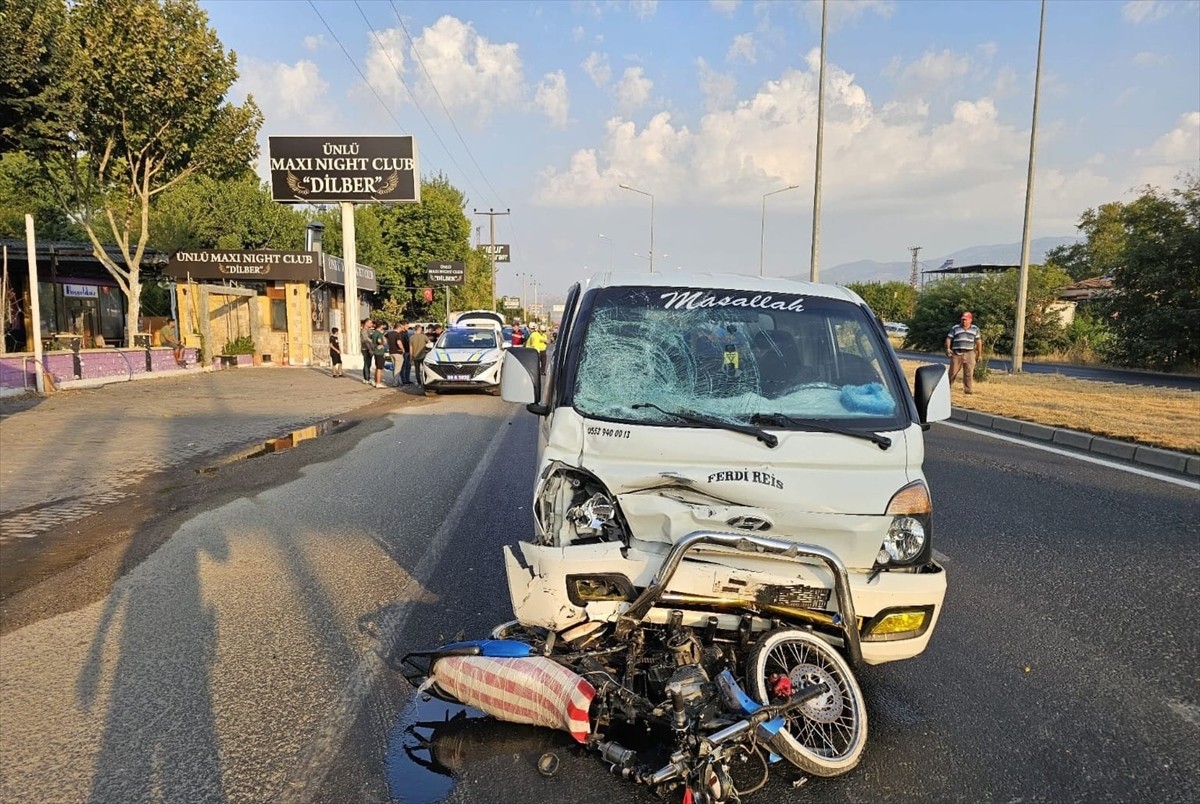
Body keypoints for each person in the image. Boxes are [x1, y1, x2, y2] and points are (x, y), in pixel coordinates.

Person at [945, 310, 983, 394]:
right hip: (957, 353)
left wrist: (979, 354)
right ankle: (947, 387)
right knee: (952, 372)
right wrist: (948, 348)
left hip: (970, 353)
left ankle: (968, 389)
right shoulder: (955, 328)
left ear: (970, 320)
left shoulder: (975, 329)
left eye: (965, 319)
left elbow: (978, 341)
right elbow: (949, 338)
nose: (964, 321)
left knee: (969, 372)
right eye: (962, 319)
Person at [368, 321, 389, 388]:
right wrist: (381, 344)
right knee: (380, 368)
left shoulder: (374, 333)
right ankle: (378, 382)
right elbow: (379, 340)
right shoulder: (379, 334)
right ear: (381, 326)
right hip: (380, 352)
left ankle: (376, 381)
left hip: (376, 352)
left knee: (377, 367)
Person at [408, 324, 429, 389]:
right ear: (420, 329)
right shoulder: (424, 336)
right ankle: (426, 382)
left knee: (417, 371)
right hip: (423, 356)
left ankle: (419, 383)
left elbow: (410, 348)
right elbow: (429, 343)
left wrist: (411, 356)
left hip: (415, 356)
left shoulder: (412, 337)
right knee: (425, 370)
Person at [385, 321, 404, 386]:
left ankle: (397, 381)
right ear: (398, 327)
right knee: (398, 368)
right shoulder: (397, 334)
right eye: (401, 328)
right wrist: (402, 349)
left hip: (391, 351)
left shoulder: (389, 333)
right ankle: (395, 383)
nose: (402, 329)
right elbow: (399, 342)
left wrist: (388, 343)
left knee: (394, 367)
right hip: (398, 352)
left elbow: (385, 338)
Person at [398, 320, 412, 385]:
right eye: (406, 326)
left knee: (408, 366)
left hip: (408, 351)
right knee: (403, 366)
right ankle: (404, 380)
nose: (408, 327)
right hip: (404, 351)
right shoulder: (400, 333)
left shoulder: (406, 333)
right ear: (402, 326)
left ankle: (407, 379)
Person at [360, 318, 374, 383]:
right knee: (366, 363)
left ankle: (367, 377)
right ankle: (366, 378)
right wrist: (372, 341)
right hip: (365, 348)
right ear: (366, 323)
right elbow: (366, 339)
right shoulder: (363, 330)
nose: (371, 324)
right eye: (370, 323)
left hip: (370, 348)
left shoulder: (369, 330)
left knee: (369, 363)